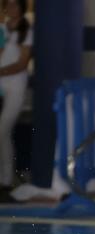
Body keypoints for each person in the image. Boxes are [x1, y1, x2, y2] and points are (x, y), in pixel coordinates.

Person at [0, 0, 31, 193]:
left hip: (16, 87)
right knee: (3, 135)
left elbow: (22, 63)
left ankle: (7, 179)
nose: (11, 9)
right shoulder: (3, 29)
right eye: (8, 5)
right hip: (2, 87)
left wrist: (1, 72)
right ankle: (6, 177)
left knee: (2, 131)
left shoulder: (27, 31)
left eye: (14, 5)